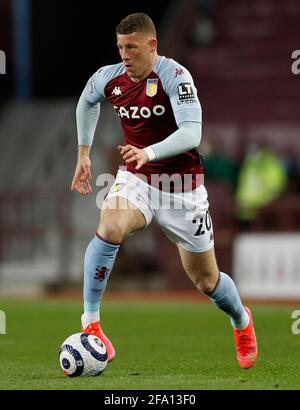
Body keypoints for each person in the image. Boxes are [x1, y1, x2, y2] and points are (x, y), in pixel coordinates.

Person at [71, 12, 257, 369]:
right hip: (137, 179)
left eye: (132, 47)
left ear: (152, 45)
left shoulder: (175, 76)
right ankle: (91, 323)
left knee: (206, 281)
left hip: (182, 189)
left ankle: (241, 322)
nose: (125, 55)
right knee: (109, 225)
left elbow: (192, 133)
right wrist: (83, 154)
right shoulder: (110, 78)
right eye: (120, 47)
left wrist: (149, 151)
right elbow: (86, 100)